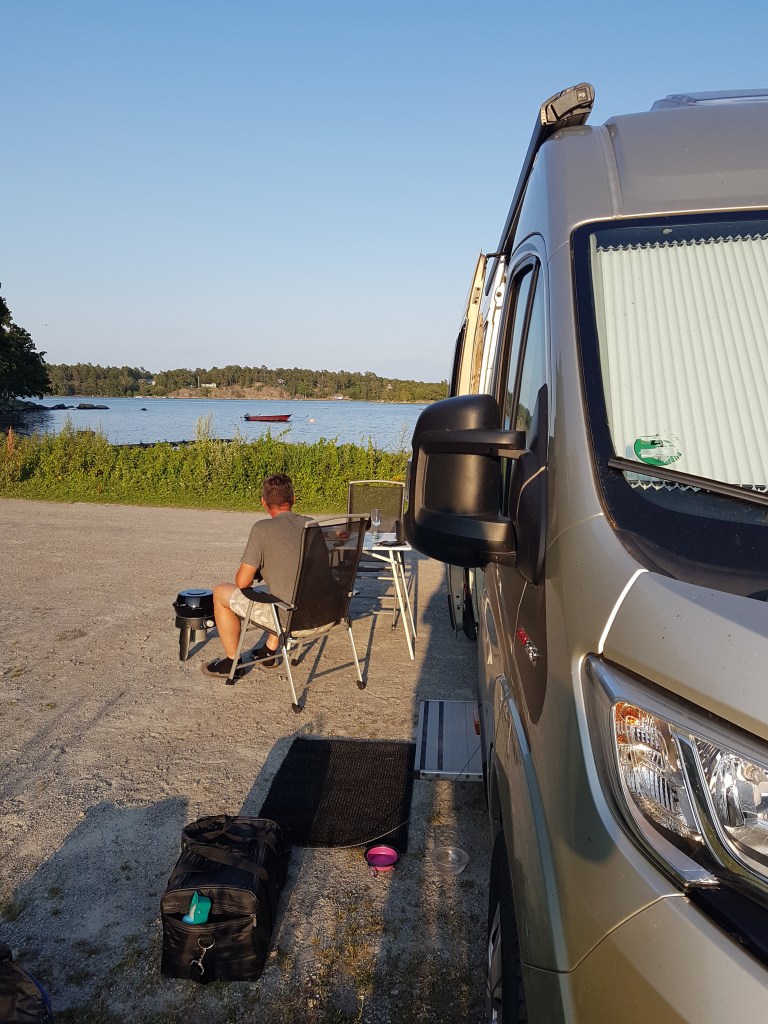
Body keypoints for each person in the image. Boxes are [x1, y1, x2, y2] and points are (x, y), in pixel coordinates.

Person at [203, 473, 309, 679]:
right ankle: (268, 652)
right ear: (293, 499)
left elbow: (243, 582)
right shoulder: (311, 525)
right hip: (322, 614)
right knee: (281, 587)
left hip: (290, 619)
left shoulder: (262, 529)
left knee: (221, 592)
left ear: (264, 503)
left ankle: (232, 663)